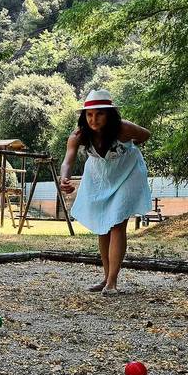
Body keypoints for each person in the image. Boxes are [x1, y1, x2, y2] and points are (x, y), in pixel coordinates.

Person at [59, 90, 152, 295]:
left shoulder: (123, 128)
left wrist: (131, 145)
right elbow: (68, 160)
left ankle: (112, 282)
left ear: (109, 115)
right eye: (89, 114)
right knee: (103, 225)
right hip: (100, 176)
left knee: (117, 223)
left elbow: (146, 134)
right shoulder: (78, 136)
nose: (94, 119)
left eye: (99, 114)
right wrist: (64, 178)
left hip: (128, 173)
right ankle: (105, 277)